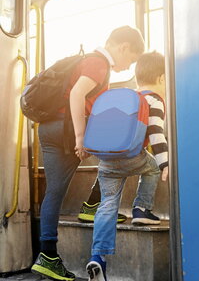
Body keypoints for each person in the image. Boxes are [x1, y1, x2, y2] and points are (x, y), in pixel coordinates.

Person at [31, 25, 145, 281]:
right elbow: (76, 94)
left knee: (55, 190)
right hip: (68, 129)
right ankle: (93, 205)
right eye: (131, 59)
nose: (128, 66)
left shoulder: (86, 60)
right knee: (122, 153)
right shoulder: (98, 63)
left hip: (48, 128)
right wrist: (81, 136)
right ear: (123, 47)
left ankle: (47, 255)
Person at [85, 51, 168, 281]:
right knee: (151, 168)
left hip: (105, 160)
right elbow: (156, 133)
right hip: (132, 157)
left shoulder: (129, 95)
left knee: (107, 205)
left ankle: (97, 257)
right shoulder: (155, 99)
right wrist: (164, 163)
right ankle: (141, 208)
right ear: (162, 78)